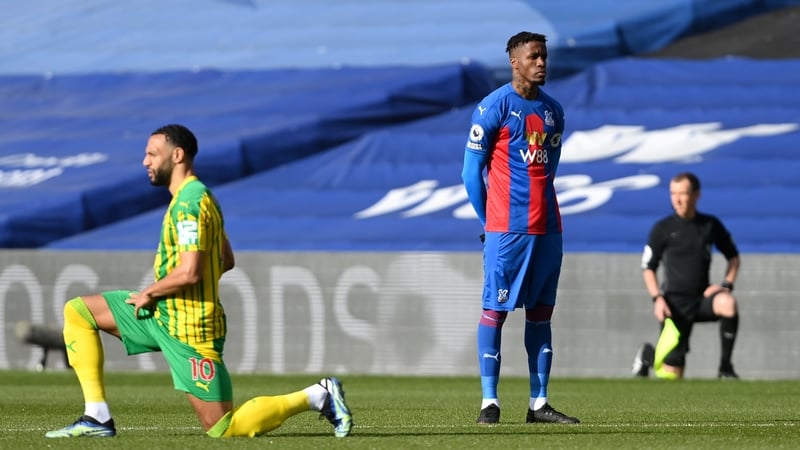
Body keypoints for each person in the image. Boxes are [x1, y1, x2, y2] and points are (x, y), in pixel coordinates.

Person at [45, 124, 352, 438]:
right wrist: (169, 293)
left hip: (191, 329)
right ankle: (97, 417)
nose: (145, 161)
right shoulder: (192, 198)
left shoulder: (191, 202)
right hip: (164, 314)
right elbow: (226, 259)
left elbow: (191, 270)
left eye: (152, 154)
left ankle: (318, 395)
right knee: (79, 312)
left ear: (177, 155)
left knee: (223, 428)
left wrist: (153, 290)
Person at [461, 31, 579, 425]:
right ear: (514, 61)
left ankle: (538, 403)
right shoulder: (494, 106)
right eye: (533, 56)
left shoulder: (554, 111)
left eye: (544, 55)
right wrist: (489, 222)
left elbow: (550, 169)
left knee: (541, 315)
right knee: (495, 311)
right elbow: (470, 172)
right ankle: (489, 402)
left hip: (548, 229)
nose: (541, 62)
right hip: (507, 231)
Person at [633, 172, 740, 380]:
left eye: (683, 193)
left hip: (702, 299)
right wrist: (657, 298)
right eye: (673, 193)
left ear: (696, 195)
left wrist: (726, 285)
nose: (678, 199)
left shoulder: (710, 225)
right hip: (674, 305)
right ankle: (648, 357)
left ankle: (725, 368)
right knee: (673, 374)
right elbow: (648, 267)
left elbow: (733, 258)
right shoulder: (662, 228)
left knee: (727, 303)